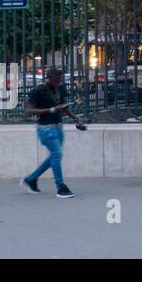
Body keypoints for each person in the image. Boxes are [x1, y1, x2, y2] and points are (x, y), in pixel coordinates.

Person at [20, 68, 87, 199]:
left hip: (58, 128)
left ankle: (30, 180)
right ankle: (61, 187)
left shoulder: (59, 89)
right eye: (55, 80)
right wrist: (51, 109)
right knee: (57, 154)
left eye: (59, 80)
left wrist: (76, 119)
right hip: (45, 128)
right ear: (48, 78)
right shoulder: (38, 91)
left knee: (54, 157)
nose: (58, 82)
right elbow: (29, 111)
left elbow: (63, 107)